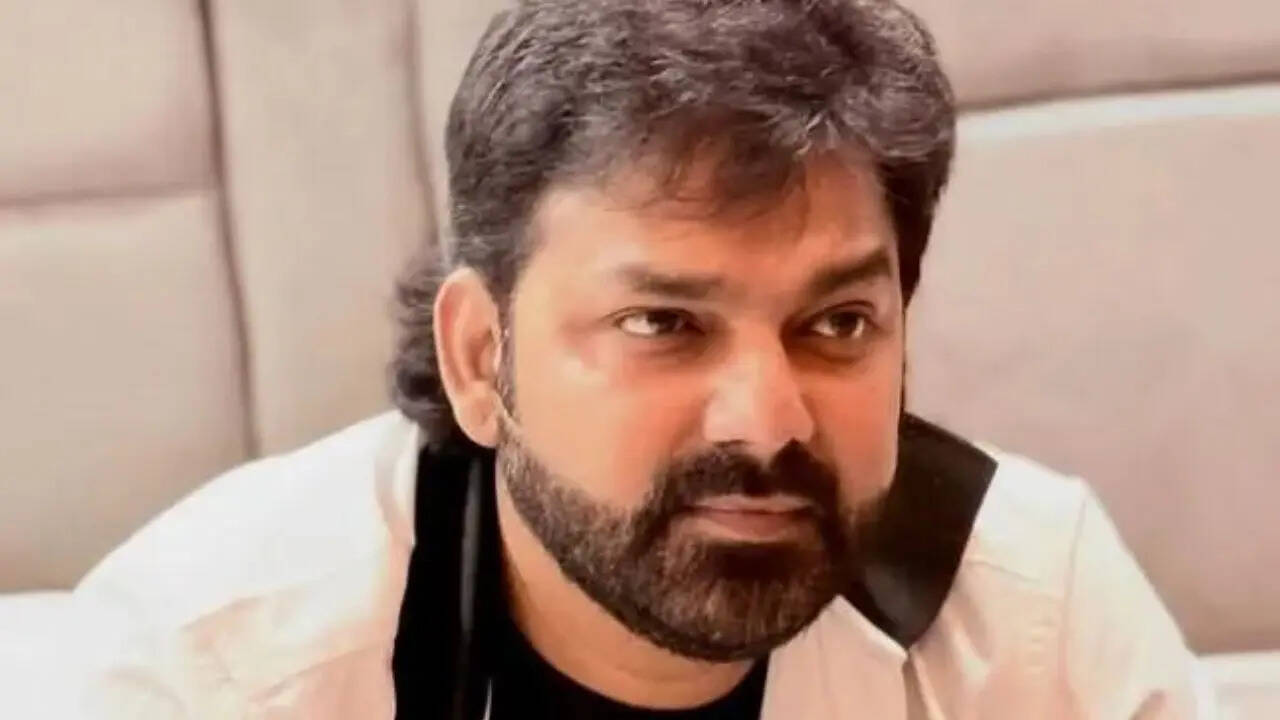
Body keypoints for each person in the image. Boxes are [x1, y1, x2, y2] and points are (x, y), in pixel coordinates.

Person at [74, 0, 1212, 717]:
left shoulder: (1032, 612)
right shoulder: (204, 665)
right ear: (479, 357)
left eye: (836, 325)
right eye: (662, 324)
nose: (767, 419)